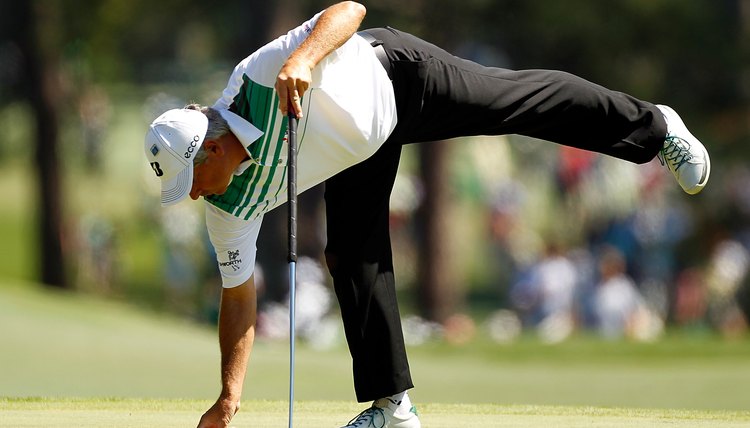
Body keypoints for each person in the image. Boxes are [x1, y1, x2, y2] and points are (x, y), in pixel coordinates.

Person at [143, 2, 710, 427]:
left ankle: (656, 127)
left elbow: (350, 10)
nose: (192, 197)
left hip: (396, 78)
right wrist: (229, 396)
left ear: (211, 148)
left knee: (518, 103)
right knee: (348, 254)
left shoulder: (258, 79)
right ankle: (393, 407)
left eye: (189, 182)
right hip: (357, 152)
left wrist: (303, 57)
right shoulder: (224, 207)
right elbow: (238, 297)